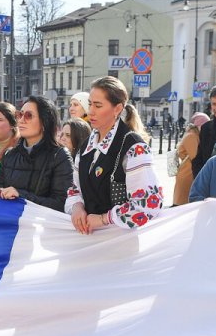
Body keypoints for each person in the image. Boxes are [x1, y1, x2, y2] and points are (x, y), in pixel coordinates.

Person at [65, 76, 164, 231]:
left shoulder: (133, 147)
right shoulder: (86, 146)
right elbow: (74, 188)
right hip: (88, 241)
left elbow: (148, 205)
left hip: (121, 243)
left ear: (117, 109)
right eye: (90, 104)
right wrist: (77, 206)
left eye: (98, 106)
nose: (90, 111)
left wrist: (104, 219)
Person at [0, 96, 72, 210]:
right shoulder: (10, 154)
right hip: (12, 223)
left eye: (28, 116)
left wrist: (21, 195)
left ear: (44, 121)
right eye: (20, 115)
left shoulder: (59, 156)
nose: (21, 120)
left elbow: (62, 204)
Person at [171, 112, 209, 205]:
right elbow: (195, 156)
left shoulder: (194, 135)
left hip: (189, 172)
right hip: (188, 173)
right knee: (183, 204)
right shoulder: (191, 136)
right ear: (198, 126)